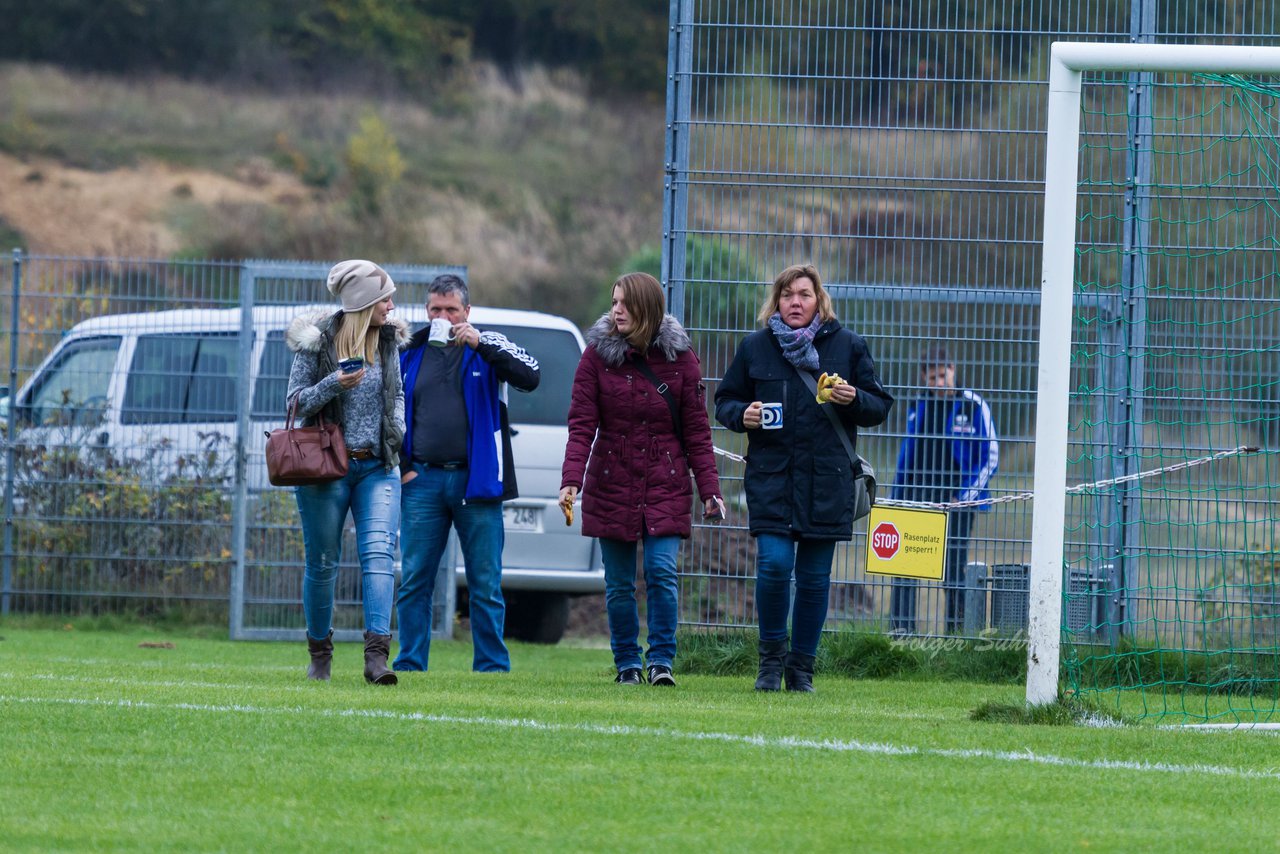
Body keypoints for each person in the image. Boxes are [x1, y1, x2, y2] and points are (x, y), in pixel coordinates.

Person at [715, 263, 893, 692]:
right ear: (776, 301)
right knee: (774, 566)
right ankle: (770, 663)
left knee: (814, 580)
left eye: (804, 294)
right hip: (771, 479)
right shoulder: (755, 347)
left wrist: (853, 398)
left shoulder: (848, 346)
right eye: (787, 294)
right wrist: (744, 414)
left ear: (819, 302)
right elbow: (724, 401)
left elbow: (879, 405)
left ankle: (801, 671)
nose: (796, 302)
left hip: (827, 483)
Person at [560, 272, 723, 687]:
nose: (616, 310)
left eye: (625, 304)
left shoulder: (682, 358)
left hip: (665, 479)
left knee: (661, 571)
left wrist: (710, 491)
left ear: (647, 308)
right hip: (611, 478)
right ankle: (628, 664)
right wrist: (571, 480)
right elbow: (581, 425)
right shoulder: (595, 355)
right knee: (618, 583)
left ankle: (662, 661)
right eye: (614, 302)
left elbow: (697, 431)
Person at [394, 274, 540, 673]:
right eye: (435, 309)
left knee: (485, 582)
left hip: (476, 483)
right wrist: (405, 469)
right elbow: (388, 412)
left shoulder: (488, 345)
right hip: (421, 481)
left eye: (451, 310)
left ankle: (491, 666)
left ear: (467, 311)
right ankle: (409, 663)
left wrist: (481, 342)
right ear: (427, 311)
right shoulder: (409, 350)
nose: (443, 316)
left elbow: (531, 375)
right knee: (414, 581)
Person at [286, 259, 408, 684]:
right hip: (326, 468)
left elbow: (396, 396)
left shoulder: (390, 341)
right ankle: (320, 656)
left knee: (379, 558)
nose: (392, 305)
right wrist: (334, 383)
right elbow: (295, 404)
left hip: (378, 467)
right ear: (365, 301)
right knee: (322, 563)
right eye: (385, 297)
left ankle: (377, 659)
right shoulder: (317, 343)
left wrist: (399, 429)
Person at [889, 346, 998, 635]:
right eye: (932, 377)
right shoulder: (918, 404)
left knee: (953, 571)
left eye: (943, 374)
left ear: (953, 369)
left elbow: (991, 455)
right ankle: (902, 633)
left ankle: (956, 634)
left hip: (957, 503)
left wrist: (964, 497)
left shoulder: (972, 405)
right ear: (924, 378)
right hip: (917, 498)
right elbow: (908, 452)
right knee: (907, 568)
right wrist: (899, 494)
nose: (939, 382)